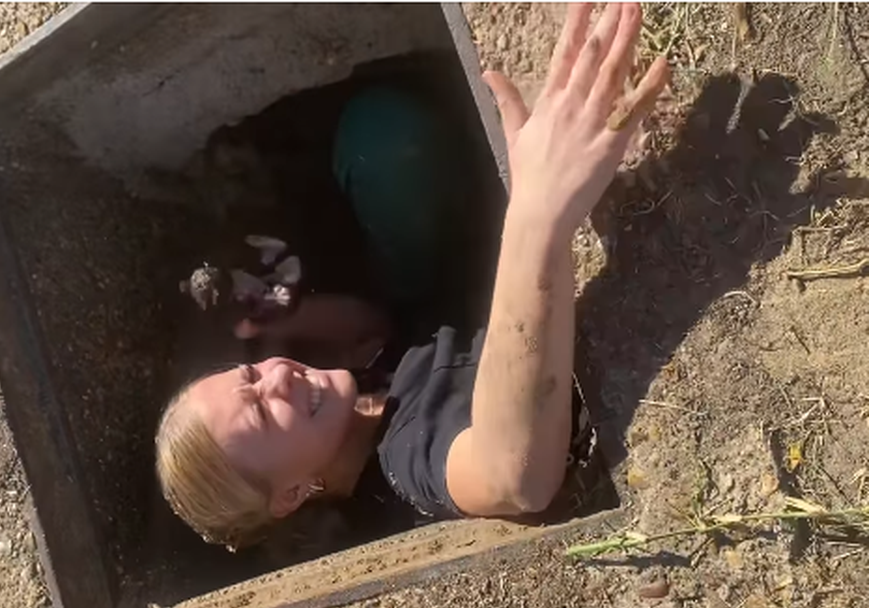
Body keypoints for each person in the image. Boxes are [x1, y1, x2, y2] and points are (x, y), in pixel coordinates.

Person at [156, 3, 670, 550]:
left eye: (251, 377)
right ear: (291, 495)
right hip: (516, 275)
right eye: (262, 412)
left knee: (380, 137)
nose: (275, 377)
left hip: (449, 292)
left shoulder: (350, 409)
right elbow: (514, 477)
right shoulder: (406, 461)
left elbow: (375, 330)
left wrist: (289, 314)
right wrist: (537, 213)